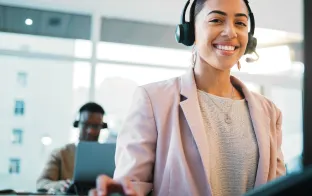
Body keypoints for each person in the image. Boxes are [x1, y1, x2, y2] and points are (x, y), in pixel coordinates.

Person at [91, 0, 286, 195]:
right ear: (190, 31)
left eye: (240, 23)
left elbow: (280, 188)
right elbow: (131, 184)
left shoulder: (269, 112)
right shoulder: (153, 100)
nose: (231, 32)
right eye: (217, 20)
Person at [36, 102, 107, 193]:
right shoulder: (60, 153)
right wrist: (59, 185)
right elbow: (41, 183)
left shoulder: (110, 156)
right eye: (86, 124)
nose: (90, 131)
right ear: (77, 124)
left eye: (96, 126)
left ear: (102, 127)